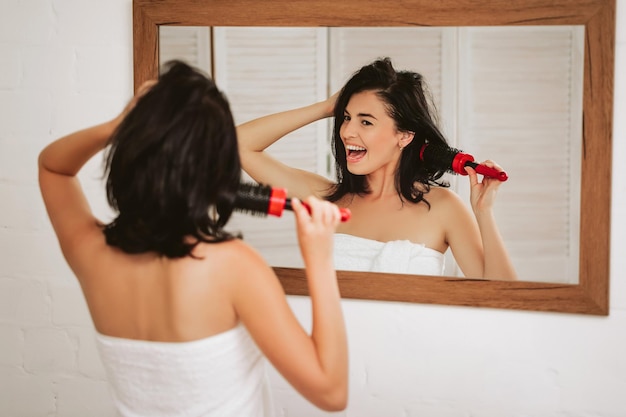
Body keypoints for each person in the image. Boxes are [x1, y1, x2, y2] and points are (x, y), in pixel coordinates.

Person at [38, 60, 348, 416]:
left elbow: (53, 167)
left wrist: (121, 125)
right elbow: (331, 393)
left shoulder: (90, 252)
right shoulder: (233, 266)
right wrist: (320, 260)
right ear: (214, 169)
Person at [237, 57, 517, 280]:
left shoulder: (444, 208)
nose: (347, 132)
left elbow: (501, 297)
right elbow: (238, 145)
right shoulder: (327, 199)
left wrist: (484, 213)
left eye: (366, 122)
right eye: (346, 118)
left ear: (404, 135)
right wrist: (324, 108)